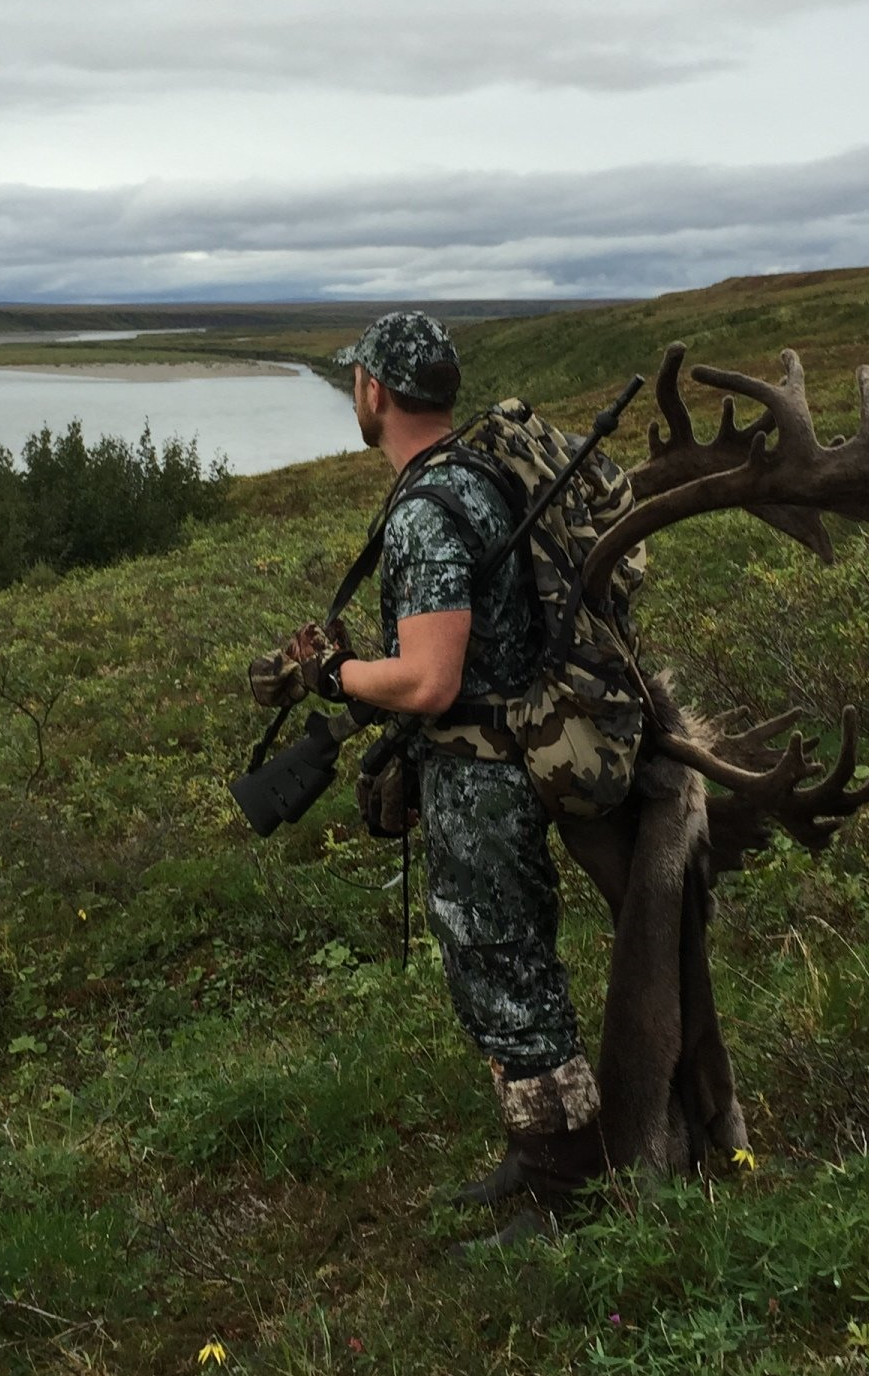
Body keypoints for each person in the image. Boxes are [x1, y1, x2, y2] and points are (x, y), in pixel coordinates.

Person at [250, 310, 606, 1228]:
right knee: (503, 968)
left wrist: (332, 673)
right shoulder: (477, 477)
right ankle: (535, 1159)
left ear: (374, 391)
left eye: (356, 382)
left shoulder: (423, 510)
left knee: (507, 974)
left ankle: (568, 1191)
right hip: (500, 756)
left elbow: (430, 677)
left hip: (480, 780)